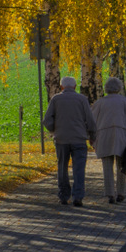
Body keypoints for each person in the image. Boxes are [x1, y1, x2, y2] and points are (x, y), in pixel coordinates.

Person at [42, 76, 96, 206]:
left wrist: (54, 129)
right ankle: (78, 196)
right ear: (75, 87)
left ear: (61, 87)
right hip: (79, 139)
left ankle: (64, 196)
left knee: (62, 168)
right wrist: (92, 135)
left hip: (61, 139)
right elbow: (90, 120)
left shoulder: (56, 99)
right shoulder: (82, 99)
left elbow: (47, 120)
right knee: (79, 168)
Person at [92, 76, 126, 204]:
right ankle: (121, 192)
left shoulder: (99, 102)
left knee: (107, 166)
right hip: (121, 135)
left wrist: (92, 138)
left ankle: (110, 194)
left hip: (103, 136)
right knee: (122, 165)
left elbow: (92, 121)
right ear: (119, 88)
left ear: (106, 89)